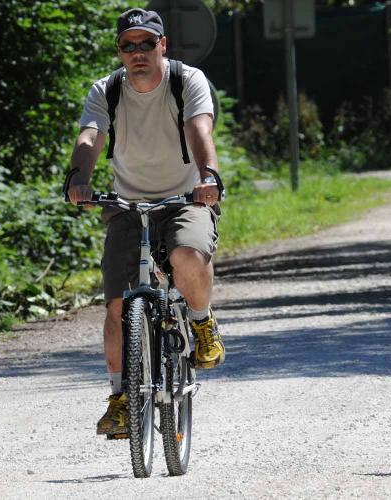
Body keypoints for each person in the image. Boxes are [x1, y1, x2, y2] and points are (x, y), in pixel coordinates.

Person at [65, 7, 226, 437]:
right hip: (127, 203)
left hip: (187, 196)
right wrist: (79, 176)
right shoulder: (107, 90)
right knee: (118, 305)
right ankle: (120, 398)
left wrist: (207, 175)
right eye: (128, 45)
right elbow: (89, 137)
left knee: (186, 253)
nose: (138, 52)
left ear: (162, 46)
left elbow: (199, 129)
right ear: (119, 51)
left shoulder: (185, 80)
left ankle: (201, 320)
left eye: (146, 43)